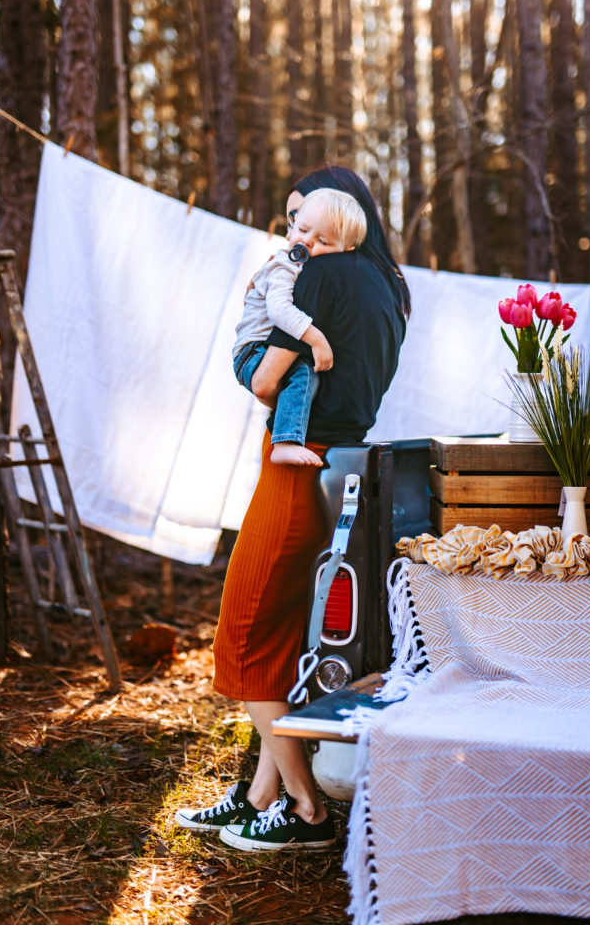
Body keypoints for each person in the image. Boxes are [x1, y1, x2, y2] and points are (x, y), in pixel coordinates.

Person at [174, 167, 410, 851]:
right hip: (340, 468)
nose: (295, 234)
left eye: (305, 219)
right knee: (281, 639)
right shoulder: (387, 288)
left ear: (340, 221)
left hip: (294, 467)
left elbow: (270, 378)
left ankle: (303, 808)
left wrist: (259, 367)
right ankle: (257, 797)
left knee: (245, 638)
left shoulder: (316, 279)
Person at [232, 187, 367, 467]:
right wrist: (317, 339)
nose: (306, 242)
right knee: (304, 374)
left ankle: (287, 433)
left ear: (345, 252)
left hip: (259, 350)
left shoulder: (313, 272)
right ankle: (283, 443)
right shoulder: (283, 265)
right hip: (252, 352)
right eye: (302, 229)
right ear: (291, 227)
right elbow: (280, 311)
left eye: (322, 241)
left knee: (305, 378)